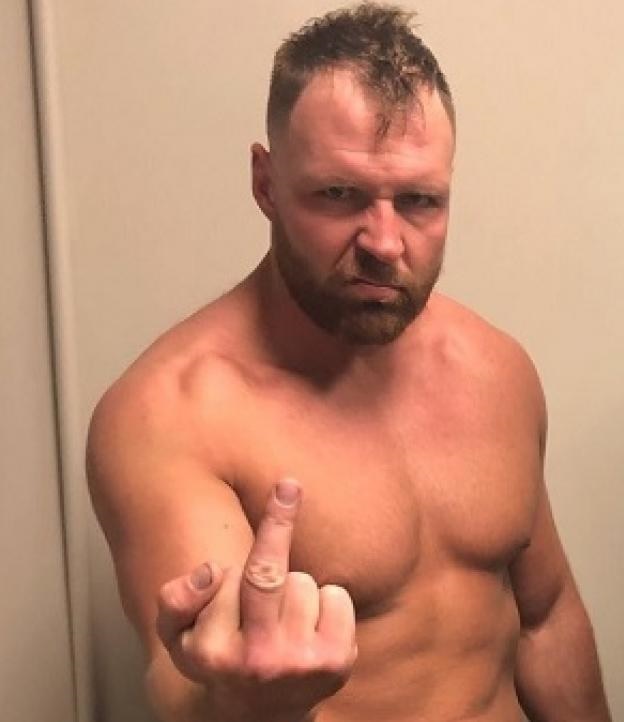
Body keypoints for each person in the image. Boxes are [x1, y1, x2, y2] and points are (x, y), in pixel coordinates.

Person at [86, 4, 613, 721]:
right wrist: (243, 702)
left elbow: (547, 618)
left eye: (419, 201)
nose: (385, 243)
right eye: (339, 194)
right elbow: (187, 688)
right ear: (266, 184)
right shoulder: (170, 416)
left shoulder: (496, 369)